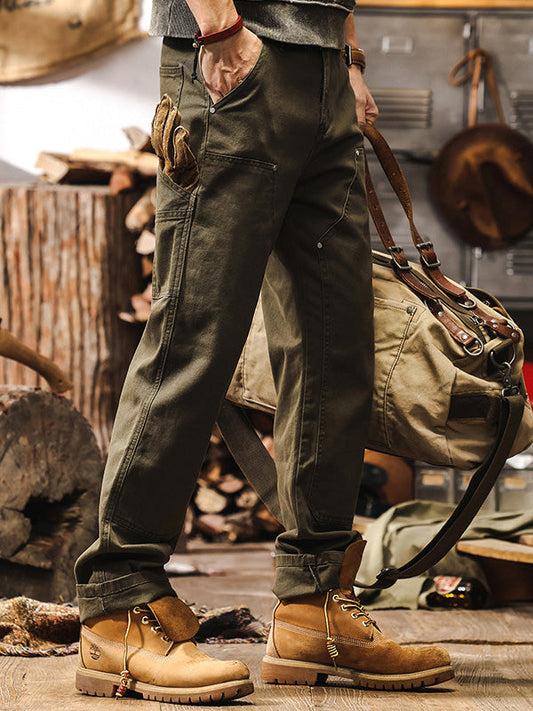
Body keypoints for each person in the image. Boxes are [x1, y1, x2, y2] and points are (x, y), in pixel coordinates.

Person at [74, 0, 453, 704]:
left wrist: (348, 57)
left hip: (322, 69)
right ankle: (118, 602)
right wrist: (219, 26)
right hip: (236, 64)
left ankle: (314, 605)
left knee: (335, 346)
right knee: (194, 336)